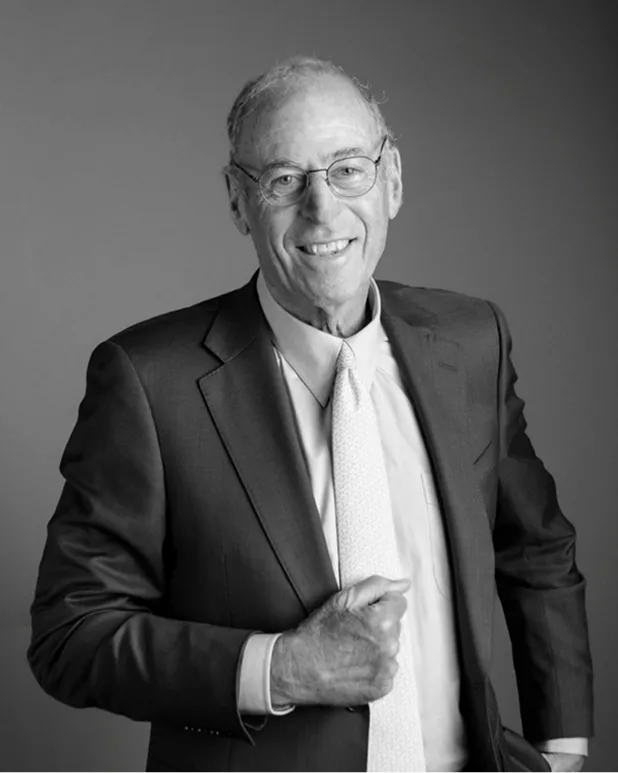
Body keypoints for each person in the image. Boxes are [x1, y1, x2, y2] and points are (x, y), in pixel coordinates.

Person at [28, 57, 593, 773]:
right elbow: (70, 633)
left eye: (348, 169)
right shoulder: (148, 381)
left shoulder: (474, 340)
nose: (322, 209)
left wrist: (563, 739)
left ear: (392, 180)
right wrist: (283, 668)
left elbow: (536, 545)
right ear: (239, 201)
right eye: (285, 179)